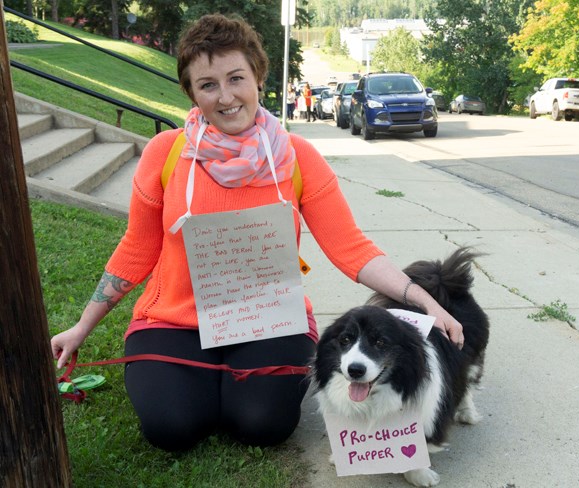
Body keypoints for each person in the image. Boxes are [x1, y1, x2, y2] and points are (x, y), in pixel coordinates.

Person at [50, 13, 463, 453]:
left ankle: (231, 391)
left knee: (263, 425)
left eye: (236, 78)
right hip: (173, 321)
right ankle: (202, 388)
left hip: (270, 321)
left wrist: (423, 300)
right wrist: (82, 327)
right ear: (191, 93)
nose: (226, 97)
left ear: (258, 78)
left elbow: (351, 249)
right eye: (208, 84)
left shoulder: (298, 158)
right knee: (172, 428)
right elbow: (137, 247)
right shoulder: (164, 155)